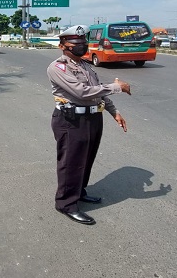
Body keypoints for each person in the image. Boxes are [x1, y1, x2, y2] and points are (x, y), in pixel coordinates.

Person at [46, 25, 131, 225]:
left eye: (83, 43)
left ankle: (79, 191)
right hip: (71, 120)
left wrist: (114, 111)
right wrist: (117, 87)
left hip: (93, 118)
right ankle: (66, 203)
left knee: (86, 158)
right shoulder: (58, 67)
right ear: (62, 46)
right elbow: (82, 92)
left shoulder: (85, 65)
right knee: (71, 161)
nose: (80, 47)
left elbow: (97, 91)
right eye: (75, 44)